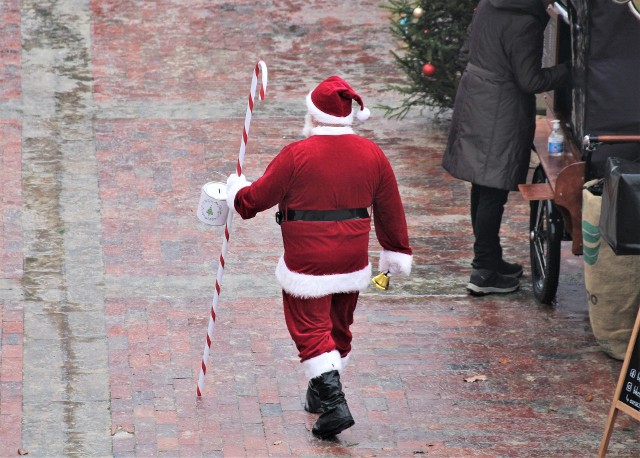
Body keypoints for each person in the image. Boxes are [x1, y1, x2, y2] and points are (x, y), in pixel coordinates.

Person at [225, 76, 413, 439]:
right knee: (339, 325)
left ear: (314, 117)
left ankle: (334, 406)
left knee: (310, 329)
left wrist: (235, 189)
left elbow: (253, 202)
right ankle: (319, 391)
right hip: (352, 258)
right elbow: (390, 207)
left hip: (307, 262)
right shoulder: (372, 154)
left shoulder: (297, 155)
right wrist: (396, 249)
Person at [442, 0, 570, 296]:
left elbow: (464, 54)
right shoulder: (526, 21)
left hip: (474, 99)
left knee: (482, 186)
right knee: (492, 192)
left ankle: (490, 260)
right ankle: (484, 271)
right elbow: (530, 80)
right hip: (501, 109)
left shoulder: (488, 4)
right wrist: (569, 71)